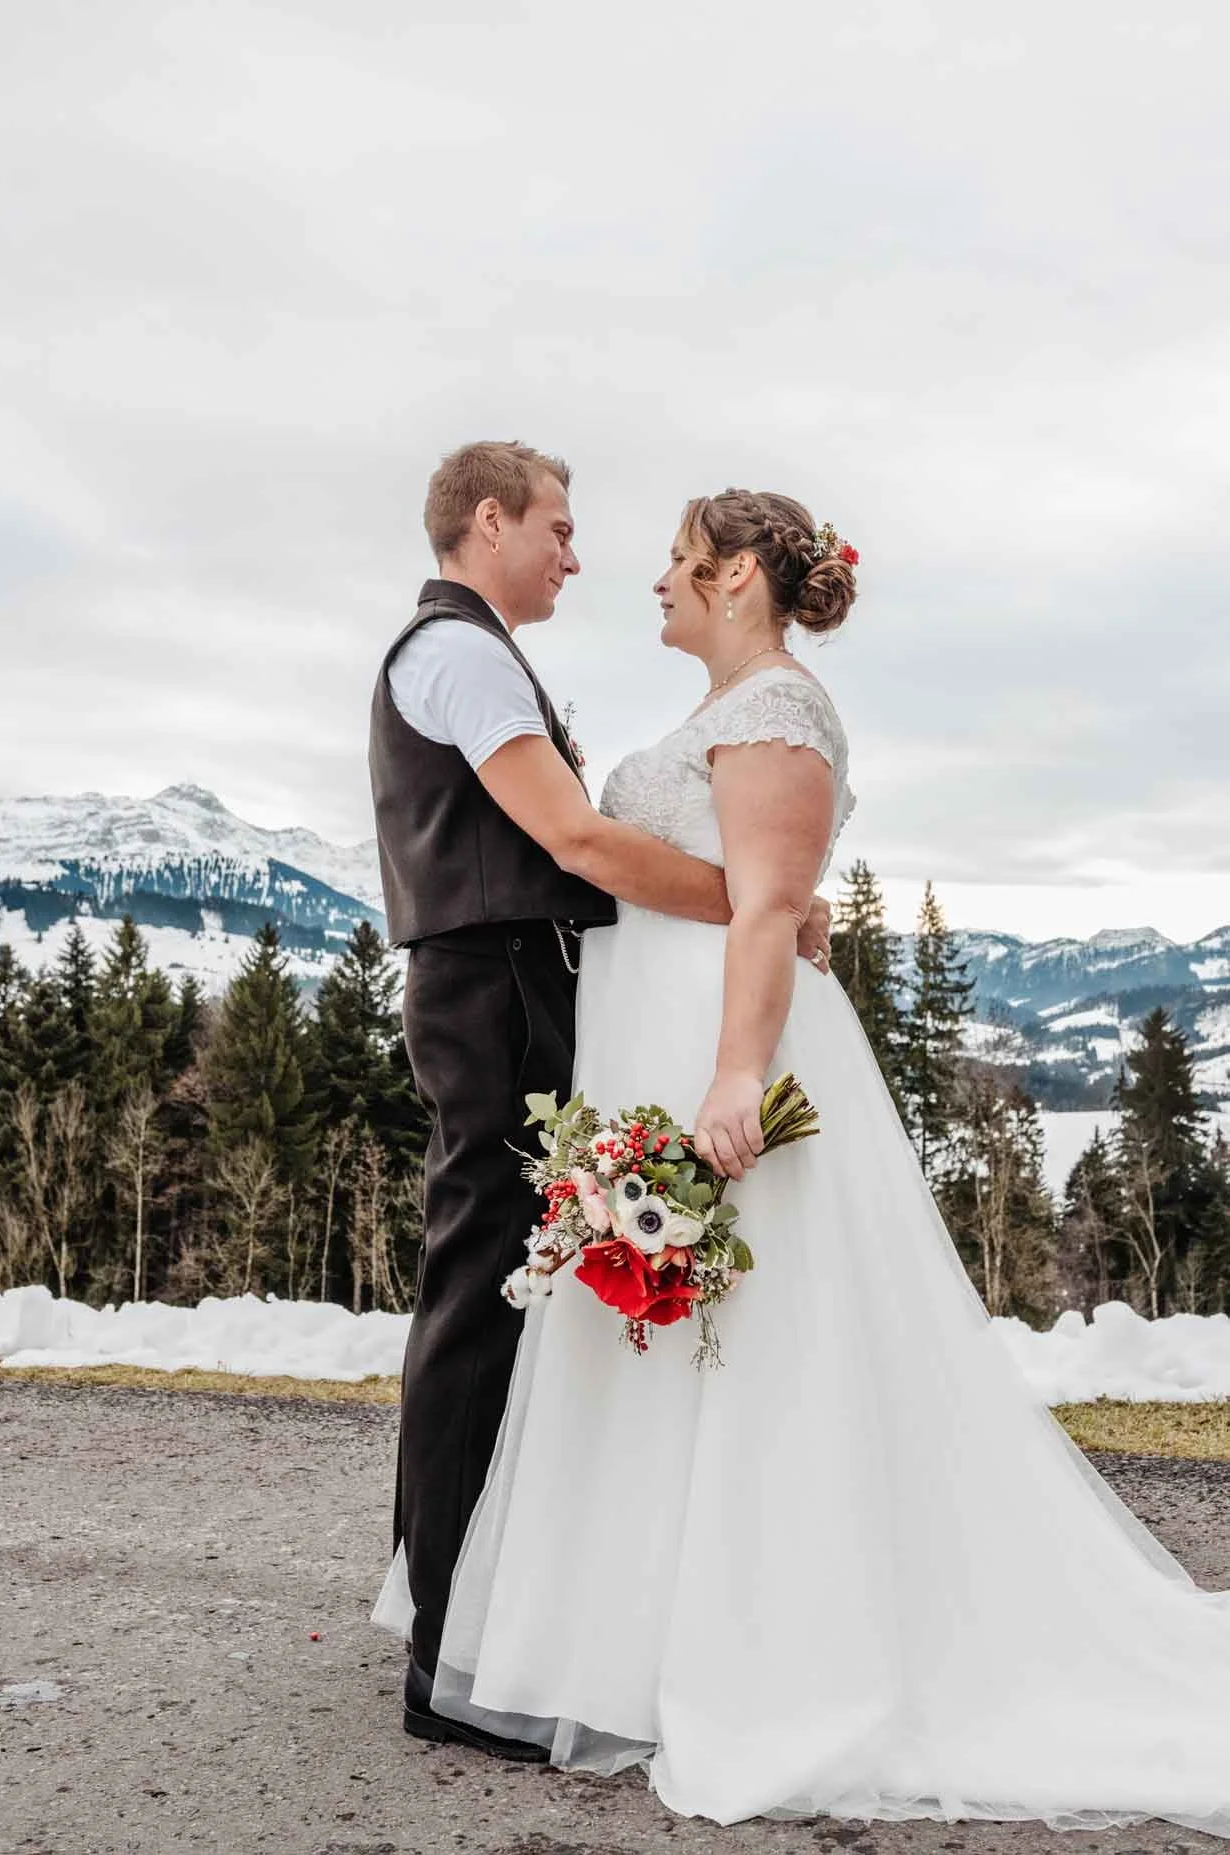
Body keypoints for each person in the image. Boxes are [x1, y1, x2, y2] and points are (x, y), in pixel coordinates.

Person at [374, 486, 1230, 1835]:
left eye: (677, 559)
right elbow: (704, 875)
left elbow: (766, 905)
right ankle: (635, 1639)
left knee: (757, 1347)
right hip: (647, 1040)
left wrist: (732, 1077)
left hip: (723, 1048)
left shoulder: (781, 711)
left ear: (735, 580)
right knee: (664, 1354)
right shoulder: (727, 713)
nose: (652, 578)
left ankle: (770, 1642)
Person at [368, 445, 832, 1762]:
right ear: (491, 520)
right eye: (561, 529)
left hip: (524, 987)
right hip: (493, 993)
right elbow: (572, 840)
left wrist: (763, 905)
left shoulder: (481, 652)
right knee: (480, 1293)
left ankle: (458, 1608)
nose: (580, 555)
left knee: (498, 1289)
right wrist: (755, 905)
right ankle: (448, 1644)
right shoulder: (454, 650)